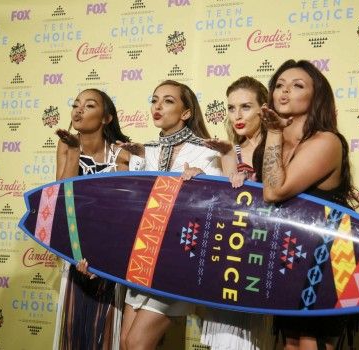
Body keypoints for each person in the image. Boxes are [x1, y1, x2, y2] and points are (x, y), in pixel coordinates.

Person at [257, 59, 359, 350]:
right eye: (279, 85)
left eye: (297, 85)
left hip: (328, 250)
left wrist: (275, 133)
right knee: (290, 340)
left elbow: (275, 191)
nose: (284, 92)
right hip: (291, 249)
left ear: (316, 97)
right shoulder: (272, 141)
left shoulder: (327, 141)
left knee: (310, 342)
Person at [119, 80, 222, 350]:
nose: (158, 106)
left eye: (168, 100)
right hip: (144, 258)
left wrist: (204, 182)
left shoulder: (206, 152)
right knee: (126, 343)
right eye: (154, 100)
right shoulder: (146, 152)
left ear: (186, 113)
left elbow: (219, 209)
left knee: (138, 343)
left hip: (178, 262)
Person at [53, 88, 132, 350]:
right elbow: (61, 199)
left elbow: (124, 212)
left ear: (106, 118)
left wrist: (108, 255)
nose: (78, 110)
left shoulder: (122, 153)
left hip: (111, 257)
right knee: (74, 331)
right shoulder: (66, 144)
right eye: (76, 105)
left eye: (89, 106)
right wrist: (74, 153)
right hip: (76, 253)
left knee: (106, 332)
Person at [200, 76, 273, 350]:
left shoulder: (278, 148)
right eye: (231, 108)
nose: (237, 116)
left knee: (245, 340)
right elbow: (227, 201)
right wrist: (202, 177)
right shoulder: (231, 149)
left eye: (245, 107)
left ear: (263, 109)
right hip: (229, 249)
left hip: (258, 252)